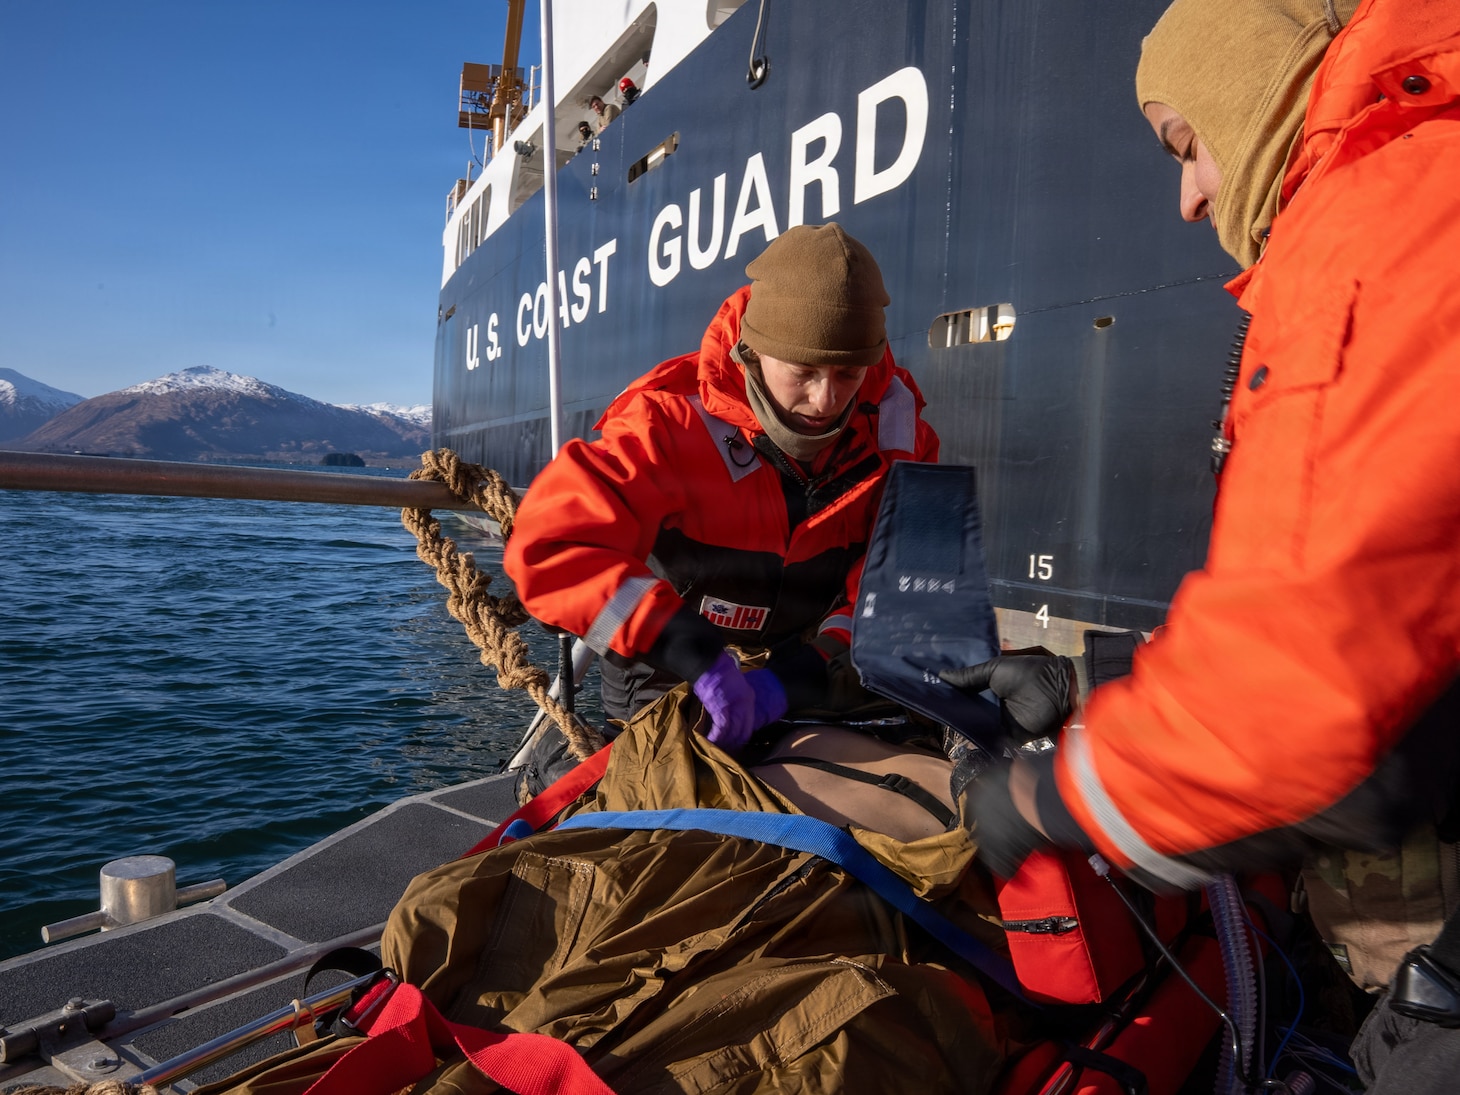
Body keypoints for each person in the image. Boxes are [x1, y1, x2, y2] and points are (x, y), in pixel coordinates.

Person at [943, 0, 1460, 1088]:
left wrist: (1052, 796)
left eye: (1184, 145)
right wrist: (1097, 678)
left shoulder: (1382, 222)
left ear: (1255, 87)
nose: (1185, 199)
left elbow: (1307, 695)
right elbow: (1377, 588)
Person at [505, 222, 939, 751]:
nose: (826, 400)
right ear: (752, 353)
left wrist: (814, 667)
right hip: (664, 674)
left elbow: (909, 576)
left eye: (847, 374)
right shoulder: (665, 423)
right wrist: (692, 653)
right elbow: (550, 550)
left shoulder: (899, 432)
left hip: (809, 669)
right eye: (803, 371)